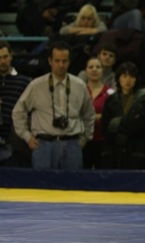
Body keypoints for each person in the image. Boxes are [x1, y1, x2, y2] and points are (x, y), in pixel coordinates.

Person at [12, 41, 95, 170]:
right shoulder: (36, 85)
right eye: (57, 61)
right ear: (50, 61)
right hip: (44, 145)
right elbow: (18, 111)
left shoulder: (80, 85)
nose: (61, 65)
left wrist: (84, 139)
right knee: (42, 183)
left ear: (69, 61)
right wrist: (27, 136)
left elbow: (89, 114)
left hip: (72, 144)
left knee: (72, 182)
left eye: (64, 61)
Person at [102, 61, 145, 169]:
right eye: (124, 76)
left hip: (137, 151)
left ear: (136, 79)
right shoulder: (110, 100)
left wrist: (118, 124)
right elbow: (105, 126)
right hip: (114, 152)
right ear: (118, 78)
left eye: (131, 76)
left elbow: (142, 123)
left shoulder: (144, 99)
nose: (128, 80)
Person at [0, 41, 31, 167]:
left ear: (11, 56)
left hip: (16, 143)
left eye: (5, 57)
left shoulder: (24, 82)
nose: (2, 61)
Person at [82, 56, 114, 169]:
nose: (94, 70)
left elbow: (112, 116)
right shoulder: (80, 91)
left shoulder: (110, 93)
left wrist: (90, 117)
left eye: (98, 67)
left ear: (102, 70)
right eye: (91, 67)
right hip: (84, 140)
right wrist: (98, 116)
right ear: (85, 70)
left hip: (103, 140)